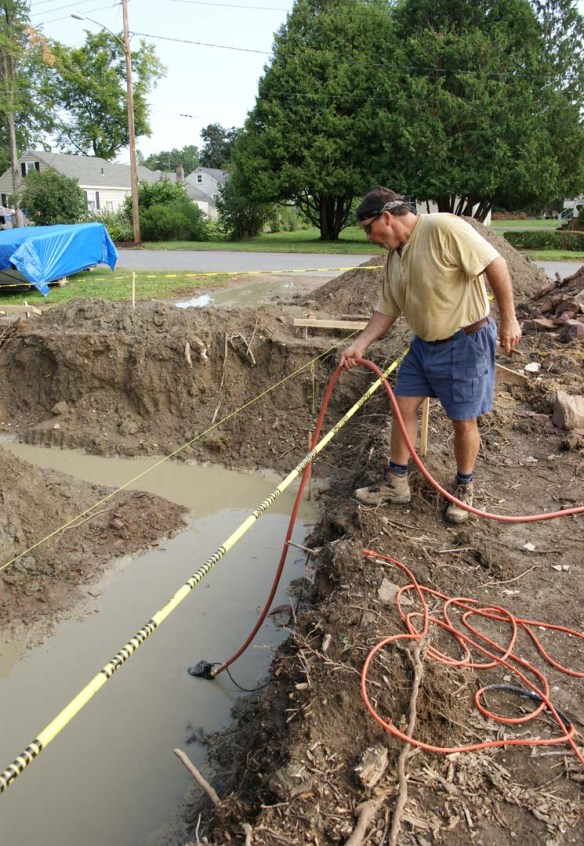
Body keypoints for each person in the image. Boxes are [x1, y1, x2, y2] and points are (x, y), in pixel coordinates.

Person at [340, 186, 522, 523]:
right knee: (402, 406)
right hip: (424, 345)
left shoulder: (442, 228)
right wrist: (360, 344)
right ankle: (396, 482)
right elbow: (387, 310)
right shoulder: (395, 256)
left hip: (465, 341)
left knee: (463, 419)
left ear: (386, 217)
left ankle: (464, 486)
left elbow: (495, 263)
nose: (369, 238)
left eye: (368, 228)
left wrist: (510, 319)